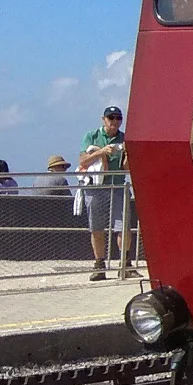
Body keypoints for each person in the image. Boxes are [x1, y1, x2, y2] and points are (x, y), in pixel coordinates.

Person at [77, 105, 135, 282]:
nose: (115, 122)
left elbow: (127, 168)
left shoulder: (125, 138)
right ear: (104, 119)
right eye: (111, 118)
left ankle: (125, 264)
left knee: (123, 227)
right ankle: (99, 264)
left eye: (118, 118)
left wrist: (127, 153)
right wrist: (102, 151)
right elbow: (83, 161)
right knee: (96, 227)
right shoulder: (91, 136)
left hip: (117, 187)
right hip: (95, 187)